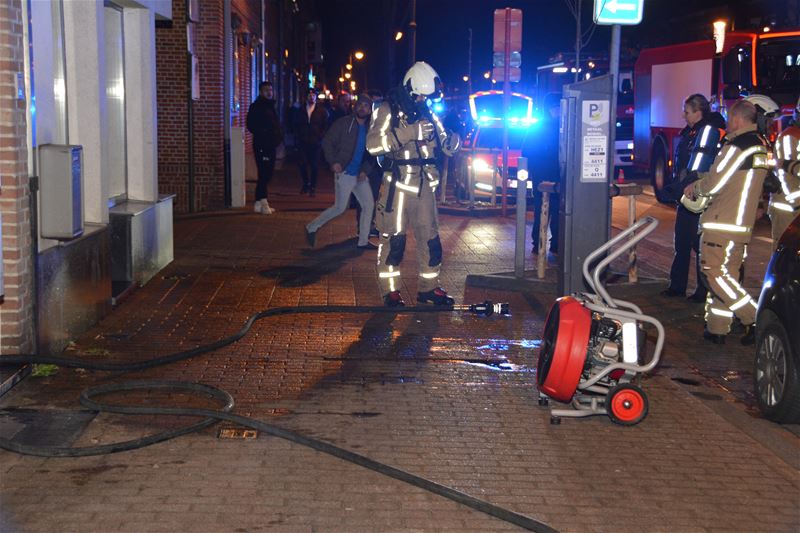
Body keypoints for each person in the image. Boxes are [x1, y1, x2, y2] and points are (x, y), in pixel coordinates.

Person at [366, 61, 461, 307]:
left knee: (430, 240)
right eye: (420, 95)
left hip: (423, 186)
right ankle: (390, 292)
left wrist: (454, 136)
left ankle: (429, 288)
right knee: (393, 241)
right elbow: (373, 145)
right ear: (410, 89)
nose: (423, 100)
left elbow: (448, 145)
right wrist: (410, 133)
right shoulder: (386, 109)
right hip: (396, 186)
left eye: (426, 96)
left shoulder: (428, 111)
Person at [683, 100, 771, 345]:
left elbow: (715, 182)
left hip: (723, 220)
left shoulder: (737, 146)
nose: (727, 124)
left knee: (713, 274)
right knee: (726, 276)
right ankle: (717, 328)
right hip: (741, 224)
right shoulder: (761, 146)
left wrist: (695, 187)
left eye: (730, 119)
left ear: (738, 119)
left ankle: (754, 317)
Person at [660, 94, 722, 302]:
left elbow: (698, 168)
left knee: (698, 244)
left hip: (697, 195)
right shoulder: (692, 131)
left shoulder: (707, 132)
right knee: (683, 243)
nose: (683, 115)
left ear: (698, 112)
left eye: (687, 111)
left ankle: (701, 291)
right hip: (686, 194)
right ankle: (677, 286)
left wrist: (680, 188)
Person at [304, 94, 376, 250]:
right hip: (344, 172)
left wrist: (365, 170)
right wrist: (333, 162)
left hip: (360, 174)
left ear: (370, 110)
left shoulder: (371, 129)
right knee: (340, 208)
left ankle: (363, 241)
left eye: (367, 106)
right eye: (361, 105)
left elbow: (372, 153)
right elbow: (327, 141)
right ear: (355, 107)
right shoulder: (343, 123)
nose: (363, 108)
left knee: (369, 205)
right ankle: (311, 227)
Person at [526, 93, 561, 256]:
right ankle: (538, 242)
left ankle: (556, 243)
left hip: (559, 176)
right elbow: (527, 151)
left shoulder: (564, 126)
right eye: (555, 107)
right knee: (542, 210)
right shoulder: (539, 128)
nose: (558, 110)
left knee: (558, 211)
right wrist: (535, 173)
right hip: (543, 178)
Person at [246, 81, 283, 215]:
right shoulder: (256, 107)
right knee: (264, 173)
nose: (269, 92)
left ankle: (258, 202)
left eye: (271, 90)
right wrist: (264, 133)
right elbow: (250, 125)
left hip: (270, 145)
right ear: (261, 92)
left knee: (267, 173)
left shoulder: (271, 106)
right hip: (262, 145)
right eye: (266, 90)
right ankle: (264, 201)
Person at [768, 96, 800, 246]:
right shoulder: (790, 137)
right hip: (789, 209)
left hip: (794, 208)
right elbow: (783, 174)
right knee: (784, 259)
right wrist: (797, 204)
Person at [293, 88, 329, 196]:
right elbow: (295, 124)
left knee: (314, 165)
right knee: (302, 164)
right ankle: (305, 184)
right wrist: (298, 137)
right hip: (302, 142)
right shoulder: (300, 110)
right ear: (306, 97)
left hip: (316, 142)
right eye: (309, 95)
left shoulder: (322, 111)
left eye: (313, 95)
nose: (311, 97)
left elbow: (326, 126)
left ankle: (313, 187)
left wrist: (320, 137)